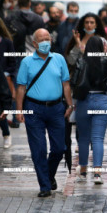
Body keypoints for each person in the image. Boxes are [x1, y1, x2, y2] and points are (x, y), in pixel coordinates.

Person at [16, 28, 73, 197]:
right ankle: (45, 186)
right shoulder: (27, 62)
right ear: (34, 44)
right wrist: (19, 111)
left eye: (47, 38)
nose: (45, 42)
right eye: (41, 39)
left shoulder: (59, 59)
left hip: (56, 109)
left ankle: (48, 175)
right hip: (34, 109)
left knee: (59, 148)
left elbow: (66, 84)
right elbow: (20, 88)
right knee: (39, 149)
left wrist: (70, 105)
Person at [75, 36, 107, 184]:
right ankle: (97, 173)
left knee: (83, 138)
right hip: (102, 100)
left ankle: (83, 171)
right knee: (98, 139)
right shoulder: (106, 62)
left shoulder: (81, 62)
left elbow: (74, 81)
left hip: (84, 101)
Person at [0, 16, 16, 148]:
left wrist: (6, 73)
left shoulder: (6, 43)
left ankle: (6, 134)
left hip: (2, 81)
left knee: (0, 110)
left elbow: (12, 63)